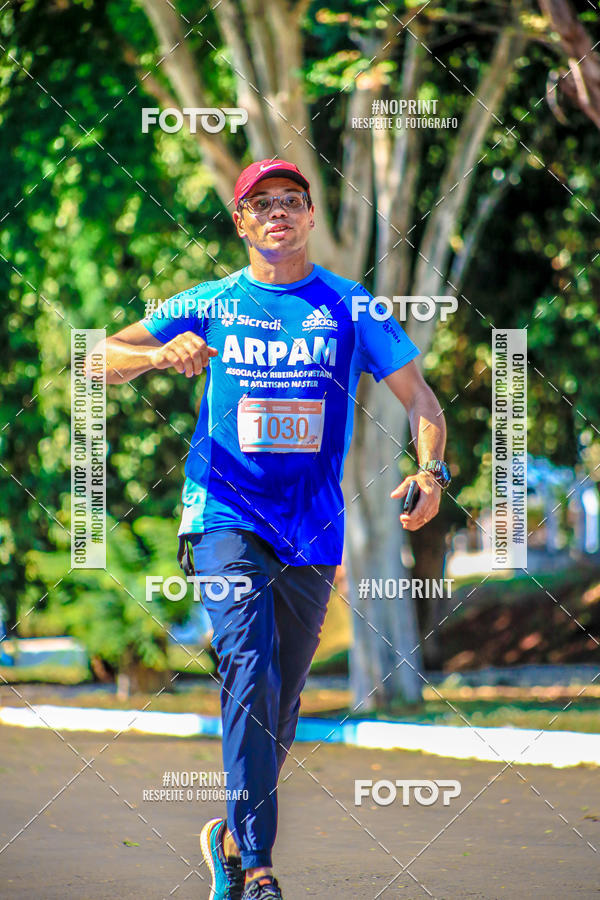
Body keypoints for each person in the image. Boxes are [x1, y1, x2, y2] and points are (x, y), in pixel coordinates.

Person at [101, 158, 450, 899]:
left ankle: (227, 835)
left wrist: (431, 473)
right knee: (249, 668)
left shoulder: (350, 307)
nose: (278, 213)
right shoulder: (211, 301)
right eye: (262, 204)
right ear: (240, 222)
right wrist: (157, 356)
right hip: (224, 513)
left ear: (313, 215)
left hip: (313, 530)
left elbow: (421, 399)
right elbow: (93, 357)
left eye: (292, 200)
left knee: (282, 699)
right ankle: (257, 867)